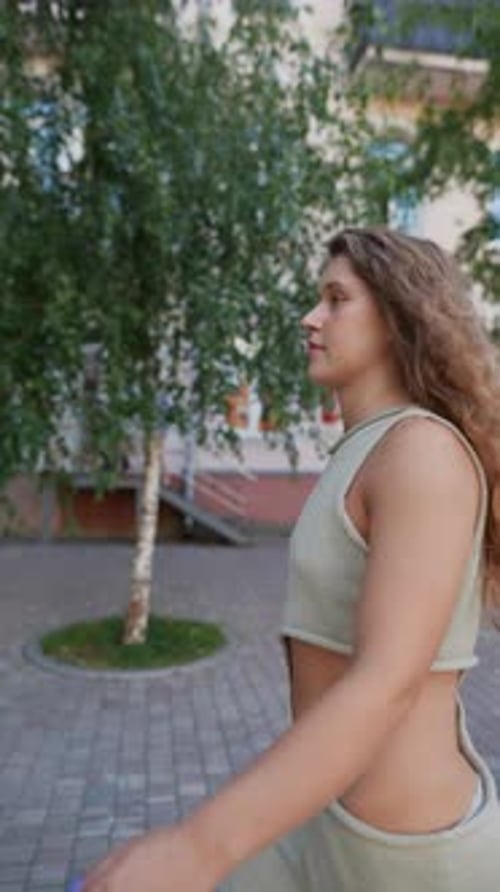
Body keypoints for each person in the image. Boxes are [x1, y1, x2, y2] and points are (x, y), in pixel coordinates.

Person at [81, 227, 500, 892]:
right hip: (324, 820)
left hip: (408, 860)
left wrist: (199, 847)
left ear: (398, 317)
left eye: (337, 299)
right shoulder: (366, 449)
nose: (311, 317)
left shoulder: (421, 451)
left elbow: (385, 684)